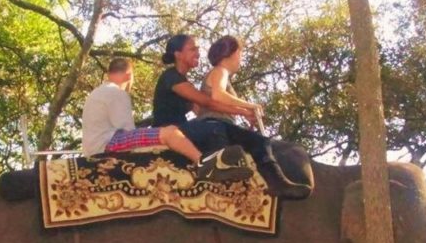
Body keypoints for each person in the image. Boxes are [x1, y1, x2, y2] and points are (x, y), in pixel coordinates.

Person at [151, 34, 309, 198]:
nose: (198, 52)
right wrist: (247, 110)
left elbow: (201, 110)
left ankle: (277, 182)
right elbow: (209, 102)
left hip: (189, 128)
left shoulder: (186, 82)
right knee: (214, 127)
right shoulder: (171, 77)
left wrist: (242, 117)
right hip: (169, 131)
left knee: (257, 140)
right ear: (178, 54)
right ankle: (216, 166)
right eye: (193, 49)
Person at [81, 57, 252, 182]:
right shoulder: (118, 93)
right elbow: (128, 132)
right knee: (170, 133)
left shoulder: (97, 92)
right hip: (108, 143)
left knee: (164, 135)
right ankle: (204, 164)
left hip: (97, 143)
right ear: (128, 75)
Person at [197, 35, 261, 127]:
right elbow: (219, 95)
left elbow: (219, 103)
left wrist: (245, 112)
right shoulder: (221, 71)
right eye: (240, 54)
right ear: (234, 53)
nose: (240, 60)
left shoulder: (219, 72)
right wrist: (250, 106)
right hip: (216, 126)